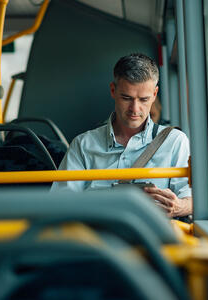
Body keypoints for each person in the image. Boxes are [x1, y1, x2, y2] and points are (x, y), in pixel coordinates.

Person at [51, 53, 192, 218]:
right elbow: (60, 204)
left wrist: (178, 206)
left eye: (144, 99)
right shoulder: (83, 145)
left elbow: (192, 198)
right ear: (113, 90)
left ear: (154, 95)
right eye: (127, 98)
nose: (135, 109)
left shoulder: (175, 141)